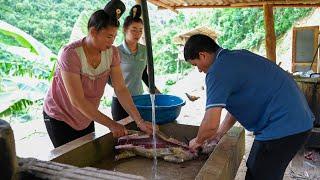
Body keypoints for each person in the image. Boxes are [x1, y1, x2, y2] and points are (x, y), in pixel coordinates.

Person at [184, 34, 313, 180]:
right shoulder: (237, 57)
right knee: (254, 168)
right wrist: (220, 133)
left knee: (259, 175)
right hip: (298, 121)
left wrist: (198, 141)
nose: (199, 70)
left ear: (203, 55)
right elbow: (238, 106)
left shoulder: (217, 71)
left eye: (196, 65)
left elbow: (210, 124)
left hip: (283, 126)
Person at [43, 0, 153, 148]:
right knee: (70, 162)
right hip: (60, 116)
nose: (112, 41)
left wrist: (139, 121)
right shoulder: (71, 54)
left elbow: (120, 88)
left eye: (114, 37)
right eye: (108, 37)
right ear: (93, 31)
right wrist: (111, 124)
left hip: (86, 116)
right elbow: (78, 101)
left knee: (88, 157)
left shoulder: (112, 53)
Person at [111, 4, 160, 121]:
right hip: (120, 101)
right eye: (133, 30)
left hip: (139, 100)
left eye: (140, 30)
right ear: (124, 30)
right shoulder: (115, 51)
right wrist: (119, 88)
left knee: (139, 134)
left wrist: (157, 92)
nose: (137, 34)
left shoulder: (144, 50)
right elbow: (108, 77)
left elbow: (144, 75)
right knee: (123, 136)